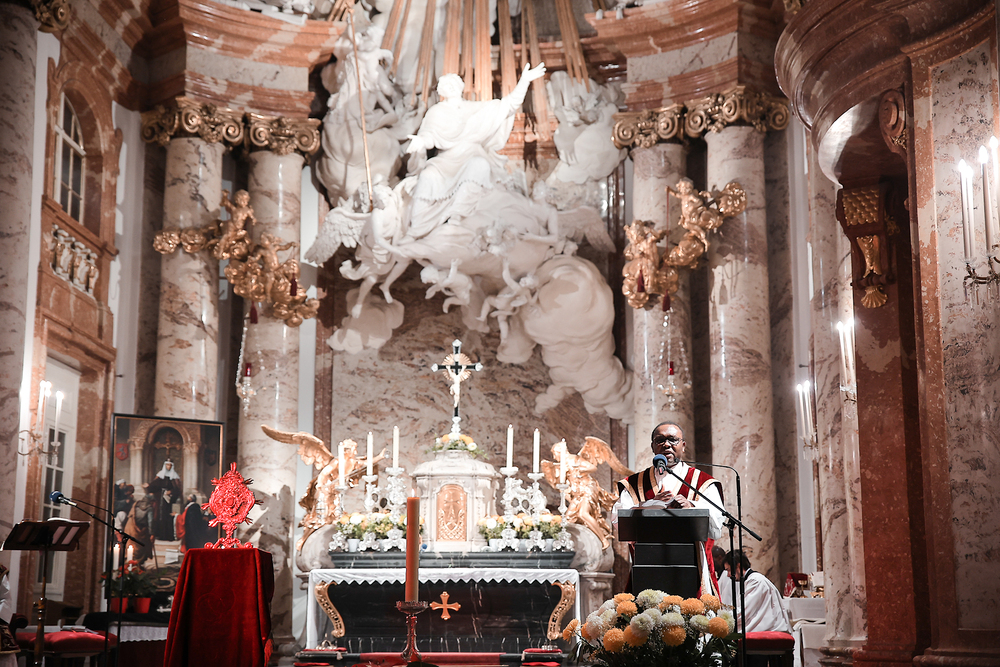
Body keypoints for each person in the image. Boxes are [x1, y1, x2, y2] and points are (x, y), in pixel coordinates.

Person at [612, 421, 724, 595]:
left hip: (691, 567)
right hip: (647, 564)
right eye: (660, 440)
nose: (666, 444)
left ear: (683, 446)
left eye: (673, 440)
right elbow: (618, 519)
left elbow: (717, 523)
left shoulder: (702, 482)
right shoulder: (634, 484)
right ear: (652, 446)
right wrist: (648, 505)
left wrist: (692, 505)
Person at [723, 549, 792, 634]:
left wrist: (721, 619)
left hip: (770, 630)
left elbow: (744, 612)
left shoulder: (755, 581)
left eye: (729, 570)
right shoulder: (750, 581)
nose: (728, 575)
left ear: (738, 566)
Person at [147, 459, 182, 542]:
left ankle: (168, 535)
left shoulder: (175, 476)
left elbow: (178, 489)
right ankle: (159, 535)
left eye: (170, 465)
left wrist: (171, 492)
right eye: (167, 465)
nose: (168, 467)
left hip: (169, 501)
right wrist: (148, 486)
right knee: (159, 515)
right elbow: (154, 486)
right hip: (160, 499)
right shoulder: (160, 475)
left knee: (167, 516)